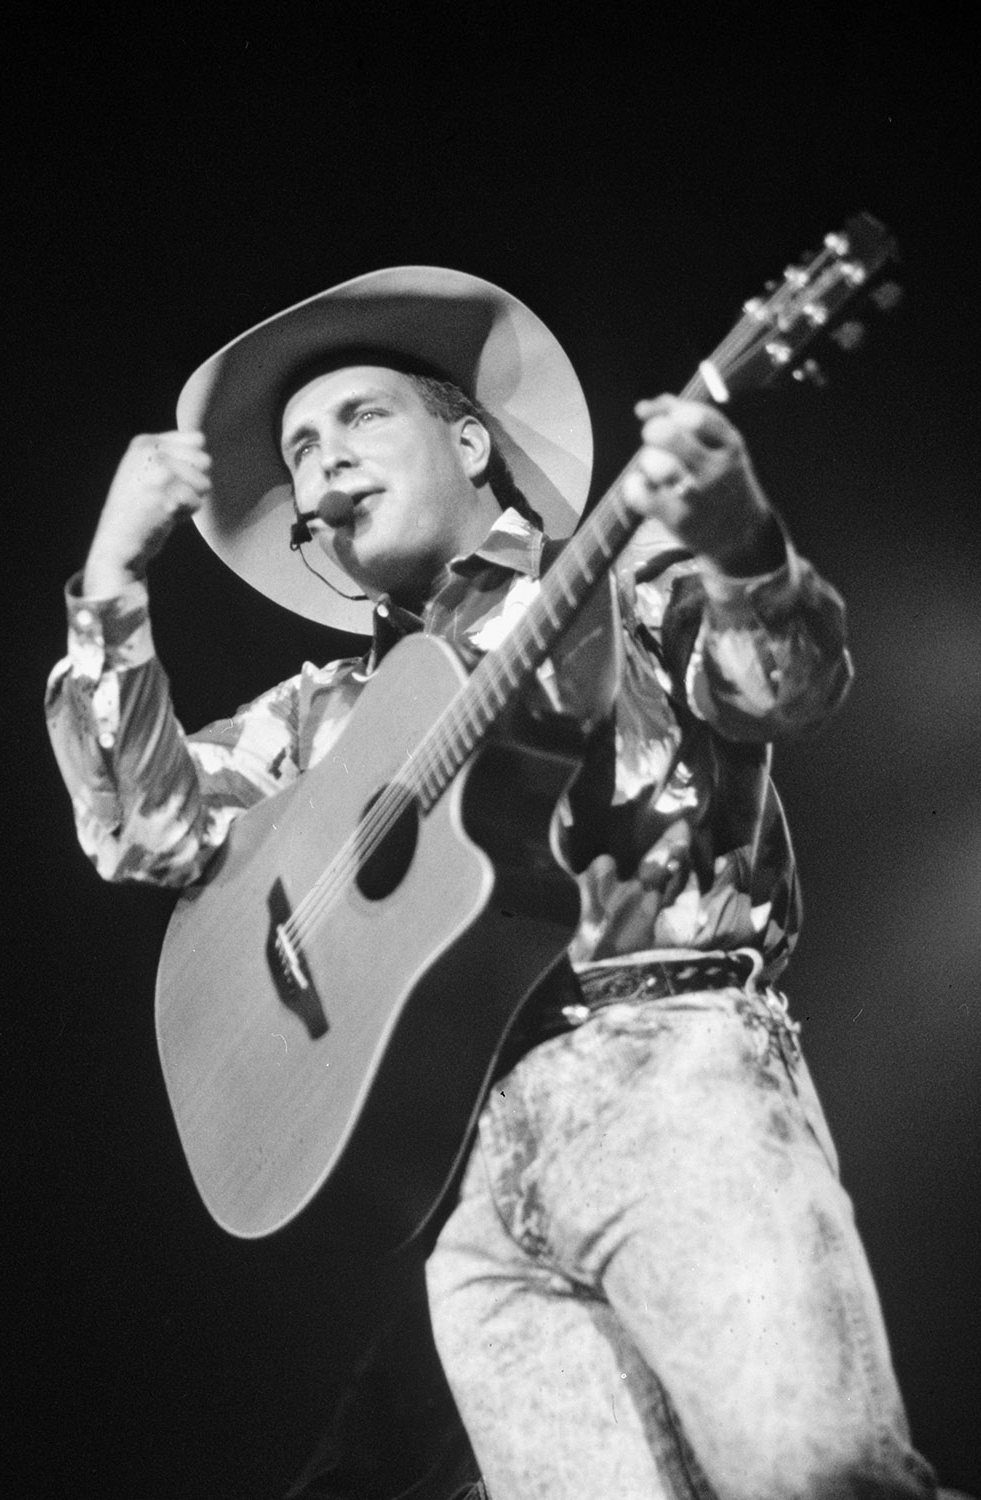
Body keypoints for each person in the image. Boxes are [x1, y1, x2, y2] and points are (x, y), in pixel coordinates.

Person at [47, 267, 940, 1499]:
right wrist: (111, 574)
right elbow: (142, 833)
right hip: (461, 1182)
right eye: (298, 450)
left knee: (815, 1479)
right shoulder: (317, 721)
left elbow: (787, 688)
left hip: (662, 1074)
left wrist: (743, 543)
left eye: (361, 416)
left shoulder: (620, 578)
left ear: (469, 441)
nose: (322, 461)